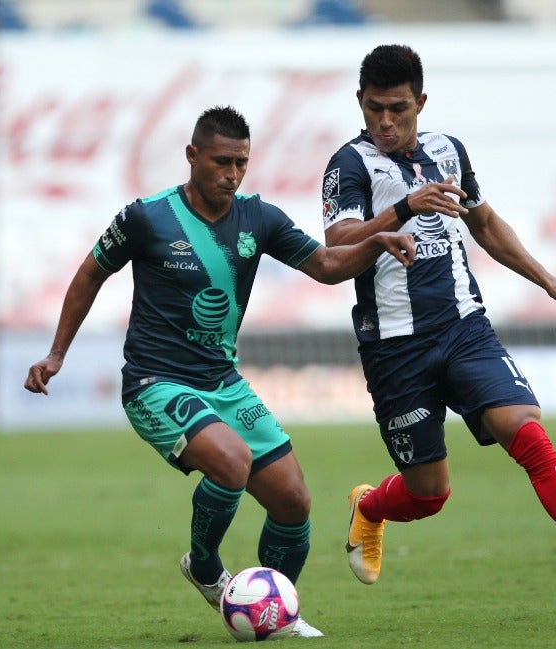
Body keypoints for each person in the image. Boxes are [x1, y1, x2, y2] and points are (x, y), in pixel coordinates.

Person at [24, 105, 416, 637]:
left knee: (294, 501)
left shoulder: (260, 217)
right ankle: (206, 568)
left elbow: (326, 267)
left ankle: (269, 611)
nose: (232, 174)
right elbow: (90, 273)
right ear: (192, 156)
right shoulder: (146, 216)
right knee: (230, 462)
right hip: (154, 382)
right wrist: (56, 353)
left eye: (242, 163)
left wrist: (373, 242)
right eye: (221, 161)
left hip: (222, 382)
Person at [321, 44, 556, 607]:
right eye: (374, 109)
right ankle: (370, 507)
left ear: (421, 101)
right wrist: (401, 212)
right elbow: (337, 246)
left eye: (398, 108)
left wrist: (548, 280)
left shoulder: (449, 152)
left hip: (464, 327)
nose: (386, 121)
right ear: (360, 102)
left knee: (527, 432)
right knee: (429, 494)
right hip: (395, 346)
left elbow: (485, 223)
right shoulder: (348, 165)